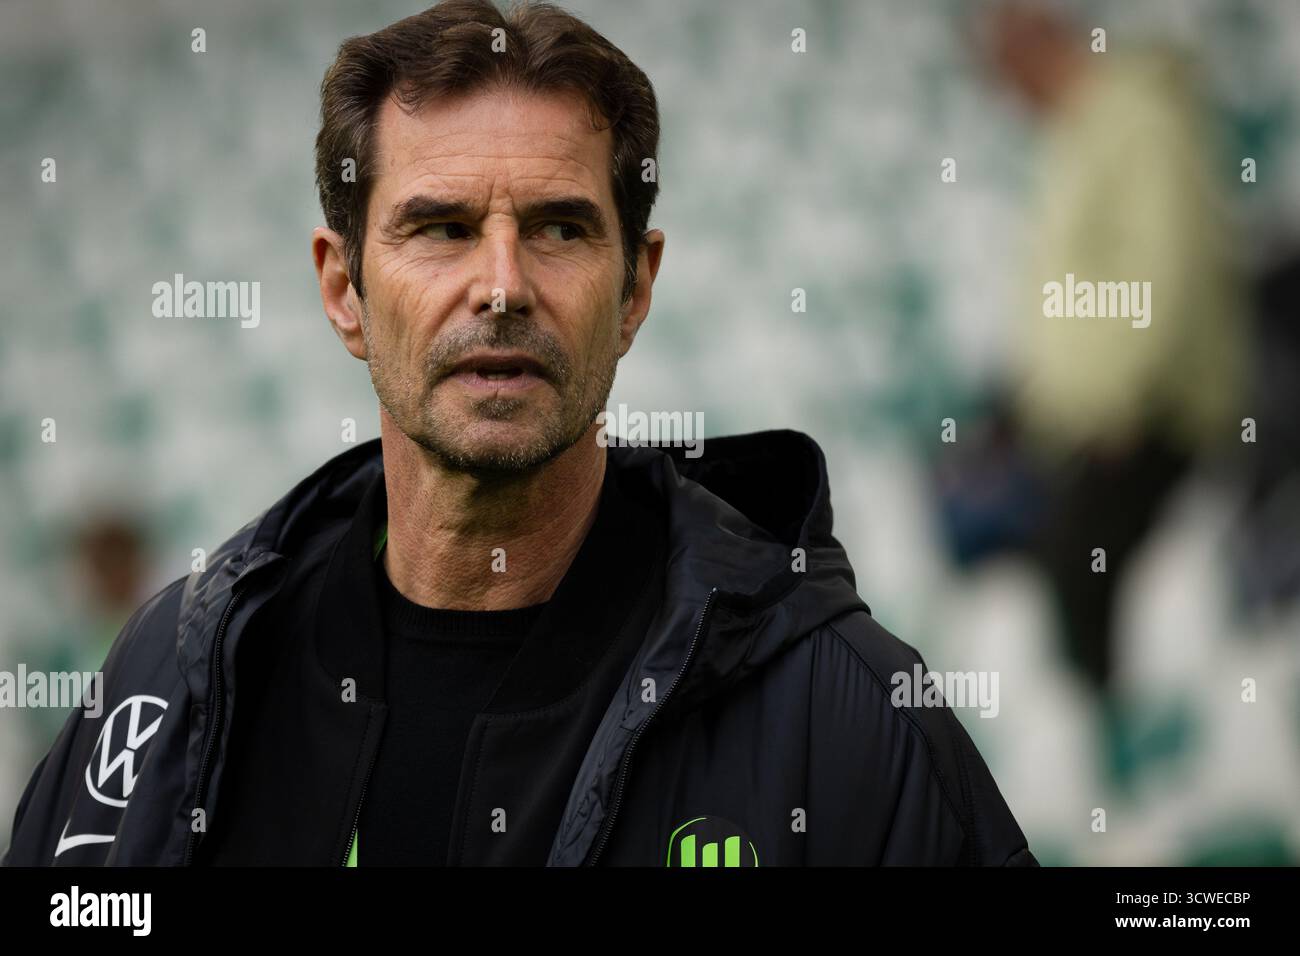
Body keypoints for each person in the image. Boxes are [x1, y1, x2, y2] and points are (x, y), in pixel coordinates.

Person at [3, 0, 1034, 867]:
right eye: (441, 226)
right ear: (342, 288)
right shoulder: (171, 675)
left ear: (635, 287)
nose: (500, 288)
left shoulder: (836, 711)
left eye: (558, 227)